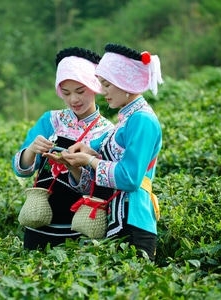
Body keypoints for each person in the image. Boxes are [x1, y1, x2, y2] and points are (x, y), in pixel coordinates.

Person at [47, 43, 163, 260]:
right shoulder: (126, 119)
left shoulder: (142, 120)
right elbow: (100, 146)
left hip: (135, 221)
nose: (103, 91)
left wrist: (89, 160)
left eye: (107, 85)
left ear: (125, 83)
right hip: (116, 217)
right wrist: (80, 153)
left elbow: (129, 178)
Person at [12, 47, 114, 250]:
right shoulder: (50, 120)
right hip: (39, 220)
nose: (74, 100)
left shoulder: (107, 132)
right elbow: (21, 169)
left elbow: (98, 186)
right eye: (66, 93)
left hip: (78, 225)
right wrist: (32, 149)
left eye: (80, 91)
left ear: (94, 87)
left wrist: (74, 166)